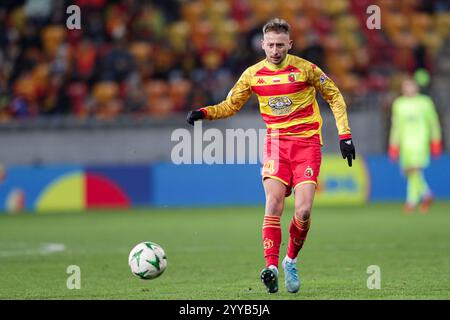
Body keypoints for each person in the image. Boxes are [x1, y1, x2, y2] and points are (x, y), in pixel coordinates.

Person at [186, 18, 355, 294]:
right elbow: (231, 105)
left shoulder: (306, 70)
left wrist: (344, 135)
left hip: (306, 145)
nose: (275, 50)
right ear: (262, 45)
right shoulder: (253, 74)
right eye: (271, 45)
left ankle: (290, 261)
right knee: (273, 202)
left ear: (290, 44)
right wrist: (205, 112)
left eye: (280, 45)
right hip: (276, 145)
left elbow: (334, 96)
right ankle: (272, 268)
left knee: (303, 210)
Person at [388, 77, 442, 213]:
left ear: (416, 88)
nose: (408, 89)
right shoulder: (398, 104)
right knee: (408, 172)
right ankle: (426, 194)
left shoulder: (425, 102)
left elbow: (433, 122)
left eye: (411, 86)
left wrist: (436, 140)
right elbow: (396, 126)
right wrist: (393, 145)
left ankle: (411, 202)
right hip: (405, 144)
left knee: (414, 170)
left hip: (420, 142)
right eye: (406, 86)